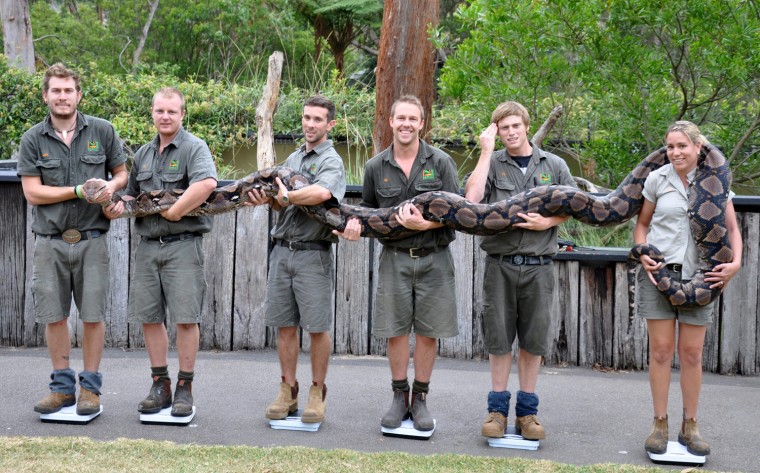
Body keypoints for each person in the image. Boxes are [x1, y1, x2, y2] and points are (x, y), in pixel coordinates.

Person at [338, 95, 459, 431]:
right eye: (400, 118)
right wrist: (352, 230)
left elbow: (458, 216)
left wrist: (427, 225)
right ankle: (398, 397)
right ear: (390, 122)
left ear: (422, 124)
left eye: (412, 119)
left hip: (434, 258)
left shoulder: (442, 162)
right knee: (394, 331)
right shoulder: (376, 166)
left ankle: (420, 400)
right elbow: (366, 212)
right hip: (394, 259)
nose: (406, 124)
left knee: (427, 333)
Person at [17, 63, 128, 415]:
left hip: (93, 239)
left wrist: (112, 189)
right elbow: (33, 192)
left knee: (93, 316)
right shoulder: (33, 138)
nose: (62, 96)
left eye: (68, 90)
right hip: (49, 242)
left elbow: (122, 173)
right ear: (45, 95)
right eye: (56, 90)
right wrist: (78, 190)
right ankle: (62, 388)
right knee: (54, 316)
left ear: (79, 95)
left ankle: (90, 391)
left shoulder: (103, 131)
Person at [104, 87, 218, 417]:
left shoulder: (194, 148)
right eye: (159, 111)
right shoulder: (142, 154)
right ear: (152, 113)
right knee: (150, 317)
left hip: (183, 245)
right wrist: (113, 205)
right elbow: (134, 200)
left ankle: (185, 387)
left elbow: (207, 183)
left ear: (182, 114)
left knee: (186, 318)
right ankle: (160, 384)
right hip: (148, 246)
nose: (165, 116)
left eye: (171, 111)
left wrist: (176, 210)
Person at [464, 101, 574, 441]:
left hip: (539, 267)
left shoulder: (553, 164)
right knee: (499, 341)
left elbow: (573, 205)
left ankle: (527, 415)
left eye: (515, 126)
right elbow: (472, 200)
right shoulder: (492, 163)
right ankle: (496, 412)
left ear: (527, 126)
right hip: (500, 266)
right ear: (496, 131)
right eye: (503, 127)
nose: (511, 132)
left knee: (532, 342)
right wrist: (485, 153)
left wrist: (548, 221)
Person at [634, 121, 741, 456]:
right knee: (661, 352)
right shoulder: (656, 179)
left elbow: (733, 229)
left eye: (682, 146)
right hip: (659, 275)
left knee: (692, 355)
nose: (675, 152)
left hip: (703, 277)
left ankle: (690, 426)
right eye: (670, 147)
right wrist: (642, 253)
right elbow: (642, 225)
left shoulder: (717, 181)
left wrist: (736, 263)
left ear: (698, 147)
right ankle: (659, 424)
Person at [246, 95, 346, 424]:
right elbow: (279, 203)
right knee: (285, 326)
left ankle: (317, 392)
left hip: (312, 254)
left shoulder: (331, 160)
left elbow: (321, 193)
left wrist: (286, 196)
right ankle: (288, 390)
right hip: (282, 250)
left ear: (330, 124)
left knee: (316, 327)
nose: (310, 124)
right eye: (306, 117)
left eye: (317, 119)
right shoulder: (292, 157)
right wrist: (268, 199)